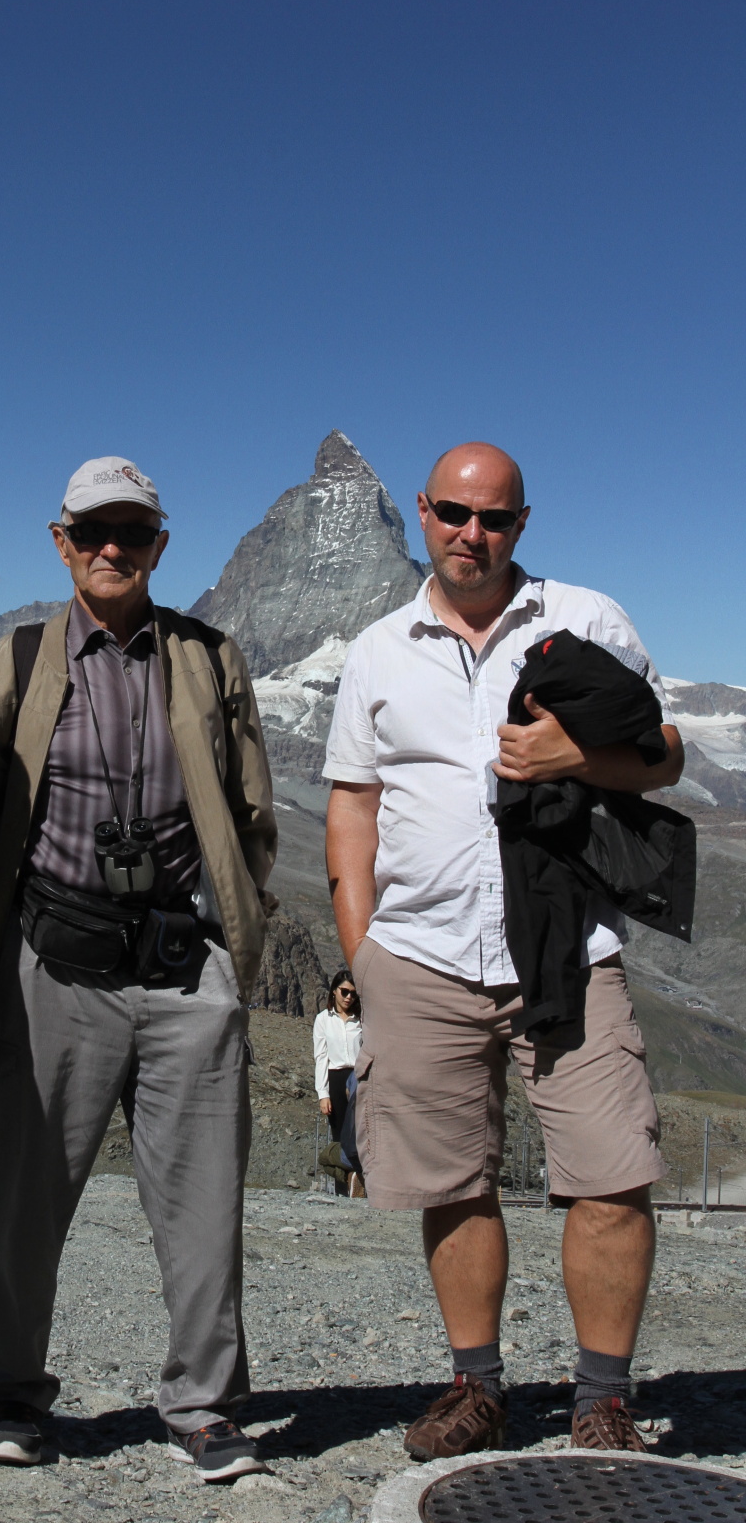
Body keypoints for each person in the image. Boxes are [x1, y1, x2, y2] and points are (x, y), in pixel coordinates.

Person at [323, 442, 683, 1460]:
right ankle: (475, 1388)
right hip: (419, 956)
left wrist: (579, 755)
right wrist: (364, 950)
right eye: (453, 512)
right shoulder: (377, 650)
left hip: (569, 950)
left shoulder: (586, 618)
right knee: (451, 1183)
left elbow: (665, 753)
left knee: (612, 1174)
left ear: (522, 524)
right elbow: (352, 803)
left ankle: (602, 1402)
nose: (470, 533)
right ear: (424, 513)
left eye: (493, 517)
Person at [0, 456, 278, 1485]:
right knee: (24, 1201)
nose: (113, 548)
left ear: (160, 545)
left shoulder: (210, 658)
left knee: (206, 1206)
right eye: (93, 532)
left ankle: (206, 1408)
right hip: (53, 968)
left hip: (182, 967)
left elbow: (252, 816)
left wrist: (231, 935)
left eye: (132, 531)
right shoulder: (19, 661)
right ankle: (12, 1399)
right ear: (62, 544)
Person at [312, 971, 363, 1196]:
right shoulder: (323, 1019)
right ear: (334, 991)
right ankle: (343, 1190)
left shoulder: (361, 1019)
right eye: (344, 992)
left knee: (361, 1132)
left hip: (358, 1079)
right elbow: (321, 1057)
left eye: (353, 993)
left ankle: (361, 1183)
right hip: (335, 1078)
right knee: (340, 1135)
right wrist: (323, 1094)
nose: (349, 997)